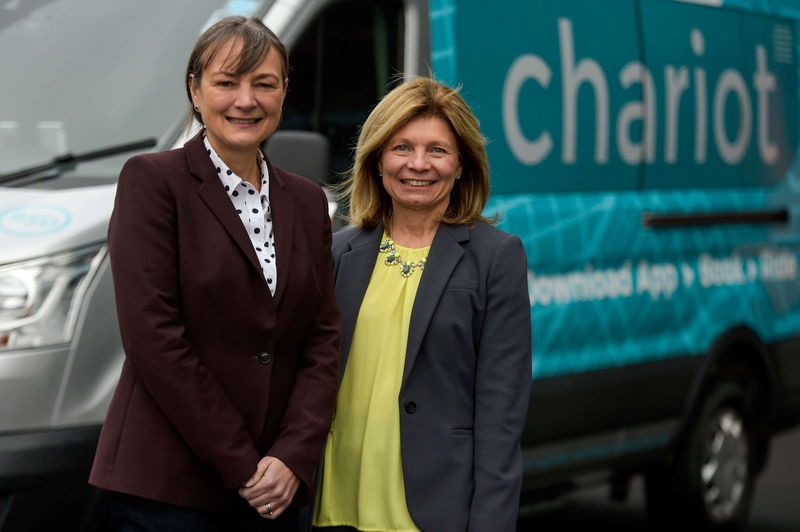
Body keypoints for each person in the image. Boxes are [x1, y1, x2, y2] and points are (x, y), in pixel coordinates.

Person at [89, 16, 341, 531]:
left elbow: (322, 339)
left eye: (264, 84)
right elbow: (153, 339)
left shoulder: (308, 200)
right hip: (168, 491)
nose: (245, 100)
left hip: (273, 492)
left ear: (284, 91)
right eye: (227, 82)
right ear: (195, 90)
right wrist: (243, 463)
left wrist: (293, 455)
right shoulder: (153, 182)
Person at [312, 77, 532, 532]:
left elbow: (500, 414)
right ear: (376, 160)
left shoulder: (496, 257)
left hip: (434, 511)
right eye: (401, 147)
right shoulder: (337, 253)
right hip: (333, 502)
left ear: (461, 165)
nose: (418, 164)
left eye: (437, 150)